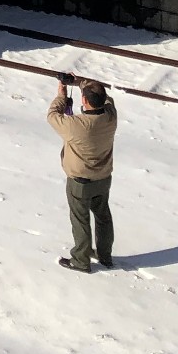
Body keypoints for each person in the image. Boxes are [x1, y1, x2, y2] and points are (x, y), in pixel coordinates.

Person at [48, 76, 116, 272]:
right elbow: (108, 99)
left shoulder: (76, 125)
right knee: (103, 216)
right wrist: (80, 83)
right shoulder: (111, 116)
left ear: (84, 101)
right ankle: (105, 255)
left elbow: (52, 115)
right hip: (103, 178)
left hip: (80, 182)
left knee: (80, 219)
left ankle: (80, 260)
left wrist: (61, 96)